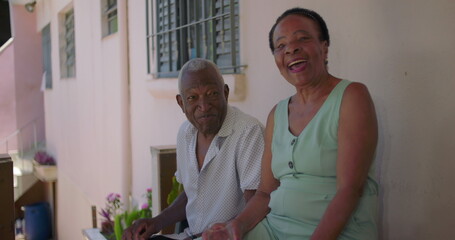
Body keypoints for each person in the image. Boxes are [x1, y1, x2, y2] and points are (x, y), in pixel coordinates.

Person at [202, 7, 379, 240]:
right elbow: (265, 193)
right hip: (274, 229)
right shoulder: (277, 114)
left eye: (302, 39)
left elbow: (349, 191)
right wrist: (236, 226)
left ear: (324, 47)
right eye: (281, 46)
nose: (291, 49)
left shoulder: (352, 97)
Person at [122, 58, 265, 240]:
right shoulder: (186, 133)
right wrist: (155, 223)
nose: (204, 106)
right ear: (181, 103)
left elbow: (256, 205)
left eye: (212, 93)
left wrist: (210, 235)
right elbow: (193, 194)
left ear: (225, 93)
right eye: (192, 97)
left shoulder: (248, 132)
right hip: (191, 235)